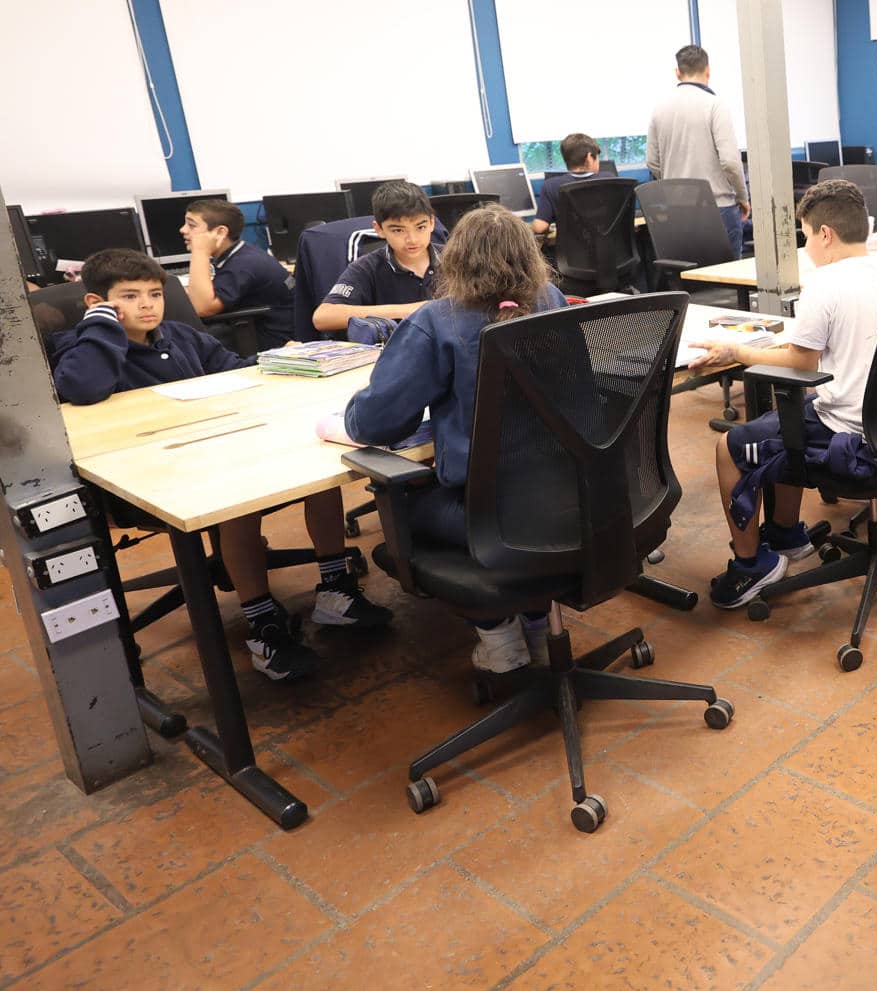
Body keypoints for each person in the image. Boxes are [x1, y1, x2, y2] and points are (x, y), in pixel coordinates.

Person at [52, 249, 388, 681]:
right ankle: (262, 622)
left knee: (320, 472)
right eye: (130, 297)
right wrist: (102, 325)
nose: (147, 305)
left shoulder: (181, 336)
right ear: (97, 303)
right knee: (241, 500)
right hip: (151, 477)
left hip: (218, 449)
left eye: (154, 294)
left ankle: (335, 589)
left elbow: (233, 371)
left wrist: (277, 361)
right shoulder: (85, 347)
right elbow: (81, 388)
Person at [339, 203, 570, 673]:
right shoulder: (551, 300)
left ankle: (497, 632)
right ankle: (535, 623)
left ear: (455, 259)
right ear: (531, 258)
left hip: (488, 516)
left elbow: (374, 423)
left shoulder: (437, 320)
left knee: (404, 501)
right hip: (563, 500)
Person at [686, 180, 877, 610]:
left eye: (805, 236)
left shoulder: (827, 282)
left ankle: (750, 567)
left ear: (825, 234)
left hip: (852, 433)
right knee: (791, 416)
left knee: (731, 446)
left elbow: (801, 361)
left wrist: (735, 351)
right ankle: (784, 535)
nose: (806, 247)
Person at [647, 45, 751, 258]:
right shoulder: (715, 105)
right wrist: (742, 196)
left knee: (688, 279)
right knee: (730, 281)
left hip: (676, 211)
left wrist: (676, 187)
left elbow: (652, 163)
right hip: (718, 208)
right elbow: (730, 162)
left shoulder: (659, 109)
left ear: (678, 72)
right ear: (708, 71)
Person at [311, 181, 439, 333]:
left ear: (432, 222)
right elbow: (323, 317)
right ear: (379, 229)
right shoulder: (367, 267)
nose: (412, 239)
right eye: (398, 230)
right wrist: (408, 310)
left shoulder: (456, 259)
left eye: (420, 227)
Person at [180, 197, 295, 347]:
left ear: (220, 232)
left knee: (180, 338)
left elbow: (202, 308)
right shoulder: (241, 254)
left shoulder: (244, 264)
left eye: (191, 225)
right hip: (260, 330)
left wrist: (200, 252)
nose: (183, 230)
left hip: (271, 341)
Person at [532, 133, 620, 238]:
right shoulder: (610, 179)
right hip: (609, 250)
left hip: (571, 253)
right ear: (589, 158)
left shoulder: (551, 186)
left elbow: (539, 227)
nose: (598, 162)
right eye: (597, 158)